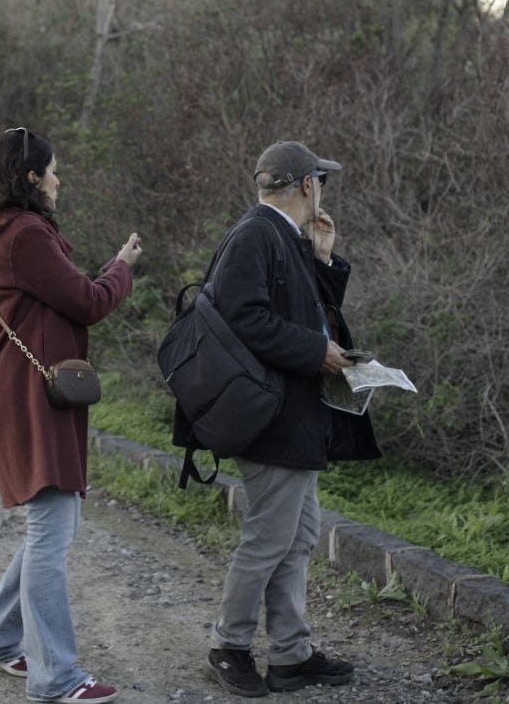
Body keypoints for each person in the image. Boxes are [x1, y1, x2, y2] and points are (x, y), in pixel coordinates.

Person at [0, 127, 142, 704]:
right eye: (53, 171)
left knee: (51, 527)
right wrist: (122, 265)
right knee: (50, 532)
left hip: (8, 399)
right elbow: (88, 300)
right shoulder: (27, 233)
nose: (59, 180)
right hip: (34, 402)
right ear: (31, 178)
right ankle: (56, 676)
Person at [203, 140, 381, 696]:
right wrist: (315, 352)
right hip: (270, 417)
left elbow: (307, 312)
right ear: (308, 185)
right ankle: (228, 647)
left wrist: (322, 258)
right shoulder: (256, 234)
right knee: (268, 539)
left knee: (297, 536)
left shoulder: (285, 236)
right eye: (320, 181)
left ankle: (290, 654)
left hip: (293, 414)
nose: (322, 190)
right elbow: (241, 318)